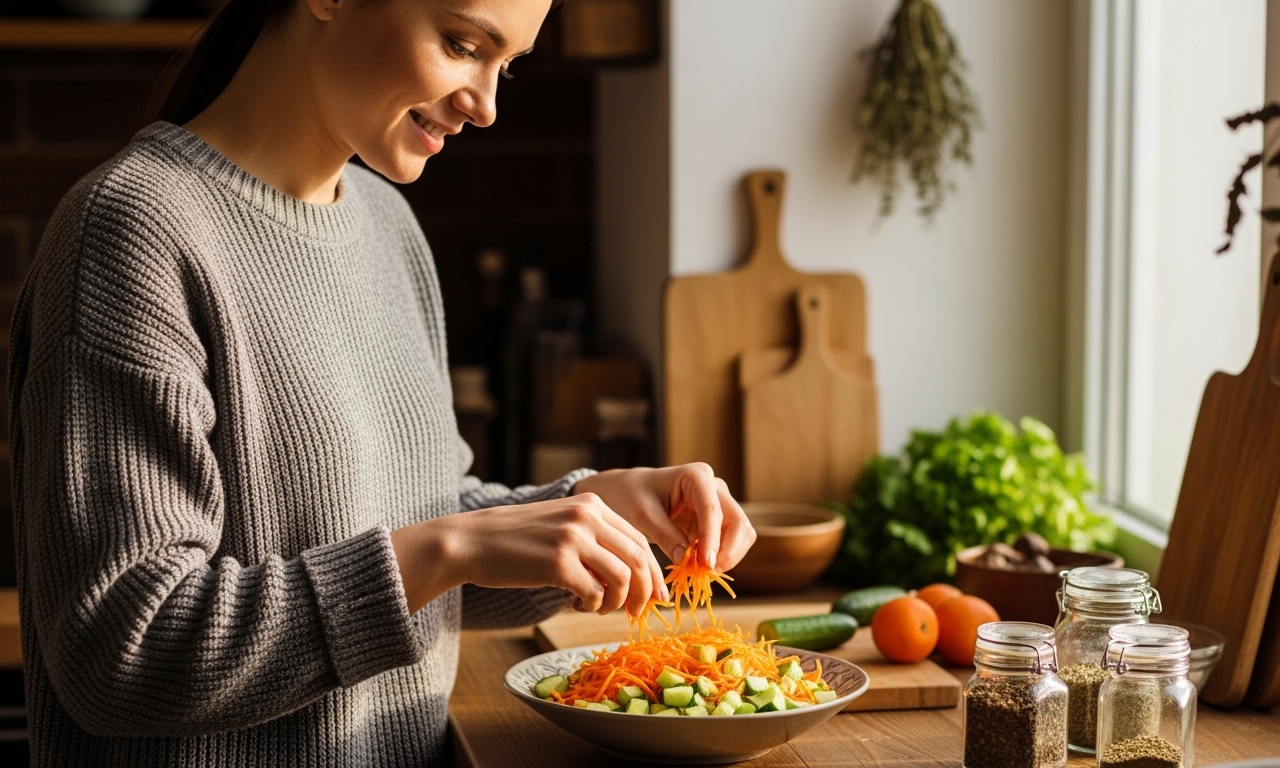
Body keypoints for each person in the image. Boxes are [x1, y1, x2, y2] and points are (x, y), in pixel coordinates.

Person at [7, 0, 755, 765]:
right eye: (464, 45)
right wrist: (448, 548)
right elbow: (119, 656)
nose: (488, 105)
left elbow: (418, 525)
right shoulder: (131, 230)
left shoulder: (389, 224)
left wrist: (589, 511)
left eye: (508, 65)